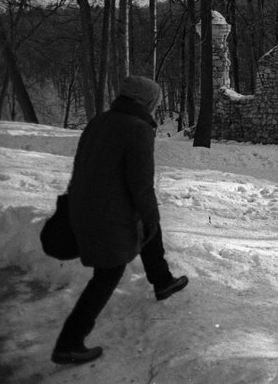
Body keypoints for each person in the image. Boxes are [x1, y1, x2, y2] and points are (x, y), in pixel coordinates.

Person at [52, 76, 188, 365]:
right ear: (146, 101)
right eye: (155, 102)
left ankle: (162, 281)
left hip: (86, 205)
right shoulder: (138, 129)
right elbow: (141, 185)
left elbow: (81, 166)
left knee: (147, 228)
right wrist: (151, 216)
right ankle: (69, 343)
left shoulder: (99, 121)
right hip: (108, 214)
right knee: (108, 272)